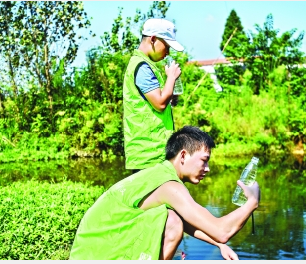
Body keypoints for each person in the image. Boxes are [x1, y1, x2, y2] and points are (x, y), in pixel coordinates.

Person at [69, 126, 260, 260]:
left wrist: (219, 245)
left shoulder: (158, 173)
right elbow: (221, 231)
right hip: (98, 254)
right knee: (172, 221)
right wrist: (252, 202)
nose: (207, 168)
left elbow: (193, 223)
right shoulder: (170, 186)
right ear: (183, 155)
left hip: (89, 251)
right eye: (204, 160)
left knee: (174, 218)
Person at [123, 18, 184, 173]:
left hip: (152, 152)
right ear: (153, 39)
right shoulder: (142, 67)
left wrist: (171, 90)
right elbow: (160, 103)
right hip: (148, 153)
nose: (168, 52)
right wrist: (171, 77)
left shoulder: (146, 65)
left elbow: (161, 103)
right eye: (167, 46)